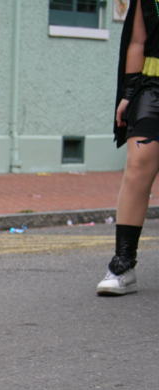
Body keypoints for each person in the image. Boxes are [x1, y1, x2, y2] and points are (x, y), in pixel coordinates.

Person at [99, 0, 159, 295]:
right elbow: (137, 41)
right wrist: (128, 93)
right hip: (153, 89)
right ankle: (123, 265)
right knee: (138, 165)